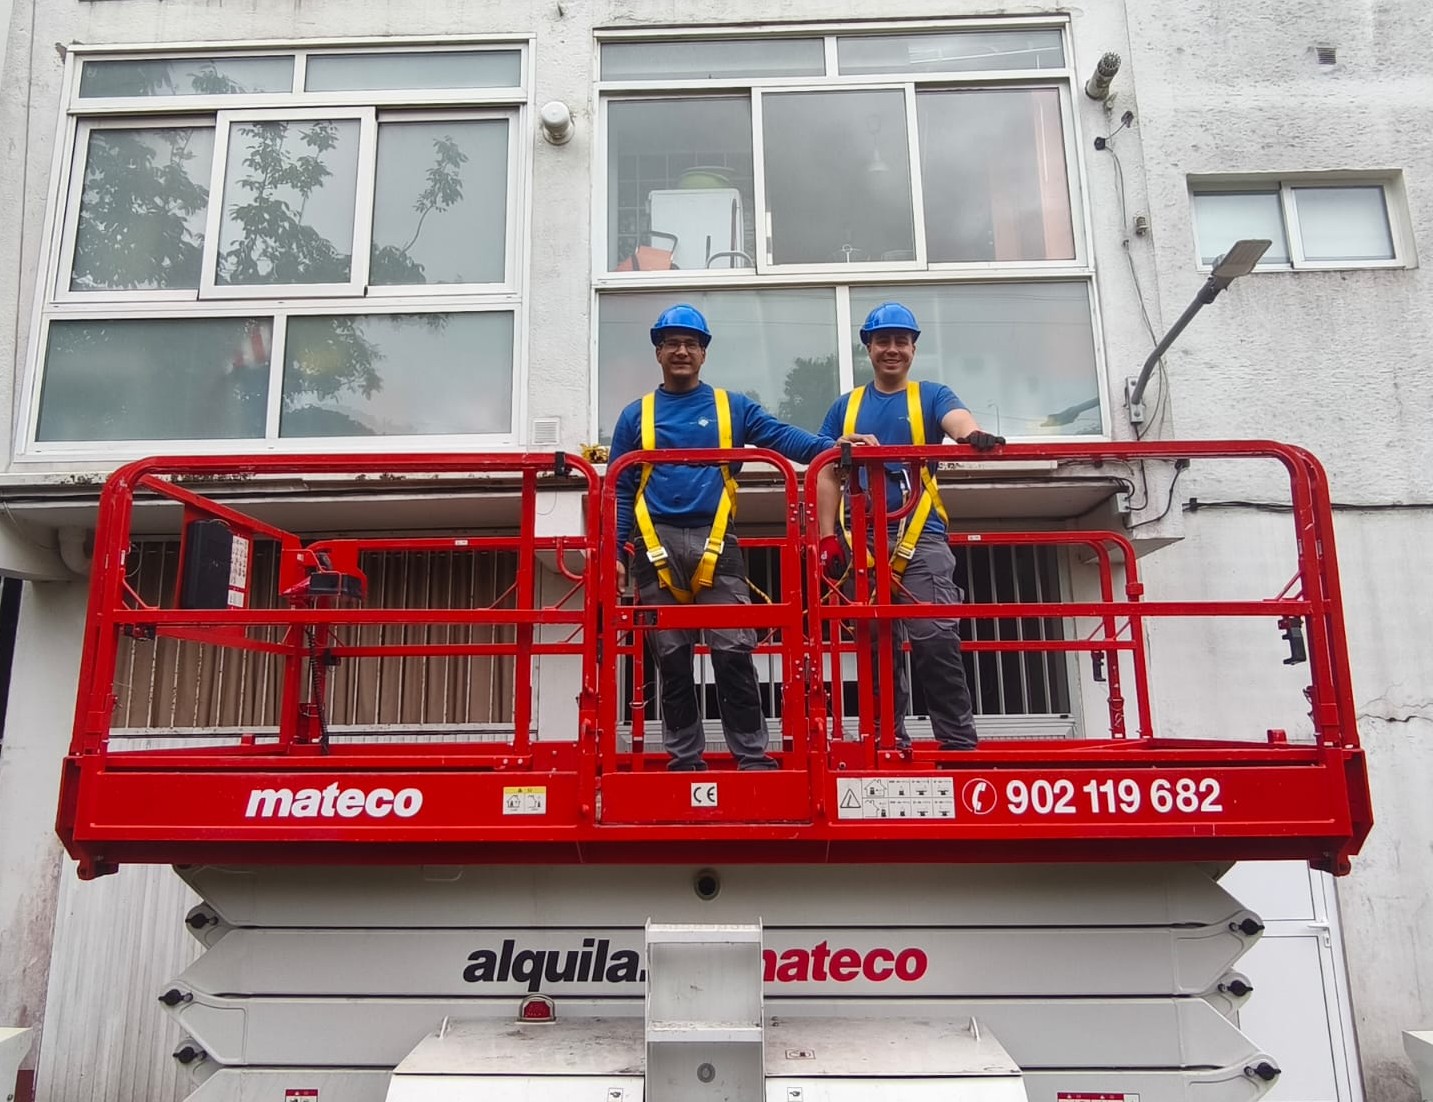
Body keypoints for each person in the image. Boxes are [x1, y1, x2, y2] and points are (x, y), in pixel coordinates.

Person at [611, 304, 872, 771]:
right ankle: (684, 758)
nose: (682, 351)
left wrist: (835, 447)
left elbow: (780, 437)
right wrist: (614, 552)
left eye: (691, 344)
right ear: (658, 352)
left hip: (717, 546)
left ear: (704, 354)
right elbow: (619, 488)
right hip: (655, 548)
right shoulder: (636, 417)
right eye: (672, 343)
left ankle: (751, 755)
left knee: (733, 652)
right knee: (671, 661)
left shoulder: (731, 408)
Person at [816, 302, 1005, 752]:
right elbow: (825, 470)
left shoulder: (931, 395)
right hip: (862, 539)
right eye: (883, 341)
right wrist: (827, 536)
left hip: (921, 537)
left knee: (935, 637)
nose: (892, 350)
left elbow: (957, 419)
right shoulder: (846, 407)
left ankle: (957, 744)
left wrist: (970, 435)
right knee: (877, 648)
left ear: (913, 349)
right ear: (869, 348)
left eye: (901, 342)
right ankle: (885, 741)